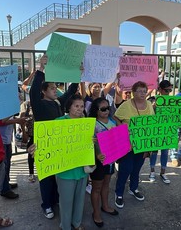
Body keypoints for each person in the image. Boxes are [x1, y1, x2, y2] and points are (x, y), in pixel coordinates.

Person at [29, 54, 80, 219]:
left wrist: (77, 76)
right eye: (52, 88)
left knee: (56, 174)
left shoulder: (58, 102)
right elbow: (32, 93)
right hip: (44, 144)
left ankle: (54, 199)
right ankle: (47, 205)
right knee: (46, 177)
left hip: (57, 144)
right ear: (44, 91)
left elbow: (71, 91)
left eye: (56, 87)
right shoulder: (39, 104)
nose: (55, 90)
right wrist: (41, 70)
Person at [113, 81, 154, 208]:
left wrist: (149, 148)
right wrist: (123, 130)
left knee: (137, 168)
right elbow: (115, 118)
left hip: (142, 144)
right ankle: (119, 193)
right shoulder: (126, 105)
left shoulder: (149, 105)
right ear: (133, 93)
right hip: (127, 143)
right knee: (126, 169)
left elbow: (152, 124)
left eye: (144, 90)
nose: (142, 93)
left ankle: (133, 188)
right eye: (140, 91)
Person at [55, 95, 88, 230]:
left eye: (81, 106)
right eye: (76, 106)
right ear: (69, 107)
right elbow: (52, 143)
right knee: (66, 201)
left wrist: (92, 140)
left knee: (80, 200)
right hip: (65, 170)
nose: (80, 109)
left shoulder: (86, 122)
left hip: (81, 168)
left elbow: (88, 143)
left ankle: (77, 223)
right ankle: (65, 226)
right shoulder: (59, 121)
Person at [88, 97, 119, 227]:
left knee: (106, 184)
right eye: (103, 109)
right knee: (97, 188)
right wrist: (97, 154)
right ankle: (96, 213)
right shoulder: (92, 125)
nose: (106, 111)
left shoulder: (112, 121)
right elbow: (88, 143)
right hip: (98, 161)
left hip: (110, 160)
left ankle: (105, 206)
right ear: (96, 110)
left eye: (108, 108)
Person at [149, 80, 173, 184]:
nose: (168, 93)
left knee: (165, 151)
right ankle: (152, 171)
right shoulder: (152, 100)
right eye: (166, 90)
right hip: (155, 129)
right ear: (160, 90)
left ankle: (163, 172)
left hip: (166, 129)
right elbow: (145, 114)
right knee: (154, 151)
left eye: (170, 90)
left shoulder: (172, 101)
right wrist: (152, 107)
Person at [0, 123, 19, 199]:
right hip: (1, 140)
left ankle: (6, 184)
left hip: (7, 139)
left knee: (8, 163)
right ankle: (5, 190)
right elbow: (0, 121)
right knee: (4, 165)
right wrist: (16, 120)